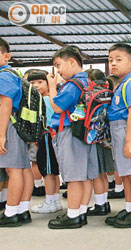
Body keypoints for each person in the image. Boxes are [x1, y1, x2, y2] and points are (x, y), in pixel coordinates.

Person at [46, 46, 99, 229]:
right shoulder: (88, 82)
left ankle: (73, 215)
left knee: (74, 177)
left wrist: (52, 87)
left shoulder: (72, 85)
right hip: (86, 133)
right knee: (84, 175)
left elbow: (57, 107)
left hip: (70, 132)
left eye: (58, 65)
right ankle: (81, 211)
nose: (58, 70)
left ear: (72, 62)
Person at [105, 43, 131, 228]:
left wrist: (128, 141)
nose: (113, 64)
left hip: (126, 131)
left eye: (118, 60)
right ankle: (130, 209)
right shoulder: (121, 84)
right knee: (127, 174)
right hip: (119, 130)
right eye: (110, 60)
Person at [0, 38, 34, 227]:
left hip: (9, 126)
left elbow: (5, 104)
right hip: (15, 125)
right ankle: (21, 210)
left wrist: (1, 134)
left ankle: (11, 211)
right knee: (22, 168)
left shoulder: (4, 75)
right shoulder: (12, 74)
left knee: (13, 170)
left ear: (7, 56)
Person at [27, 70, 62, 214]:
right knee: (53, 171)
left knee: (48, 171)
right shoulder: (45, 99)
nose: (36, 86)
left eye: (40, 82)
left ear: (49, 84)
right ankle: (55, 199)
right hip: (52, 137)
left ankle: (50, 201)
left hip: (47, 136)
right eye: (32, 83)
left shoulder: (46, 100)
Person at [84, 69, 113, 216]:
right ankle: (104, 202)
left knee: (96, 174)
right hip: (107, 138)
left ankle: (100, 204)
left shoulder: (89, 94)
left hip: (93, 138)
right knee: (103, 173)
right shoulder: (109, 92)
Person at [106, 74, 125, 199]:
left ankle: (119, 188)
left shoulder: (127, 88)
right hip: (119, 132)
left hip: (121, 132)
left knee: (121, 164)